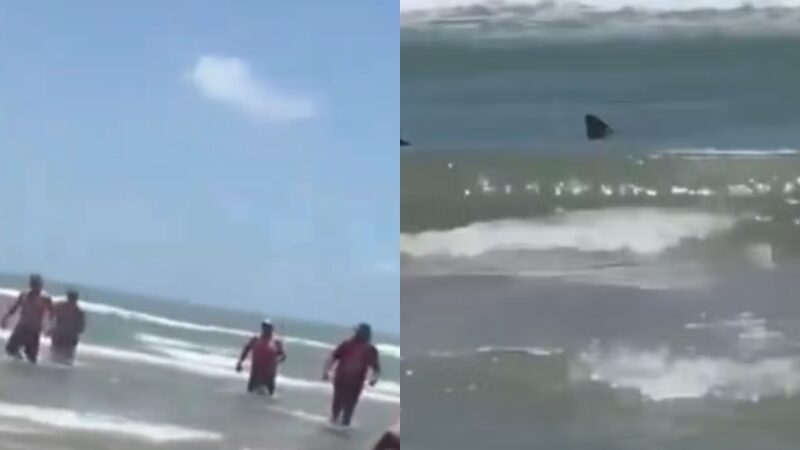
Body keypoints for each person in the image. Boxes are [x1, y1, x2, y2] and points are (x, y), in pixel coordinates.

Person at [323, 323, 381, 427]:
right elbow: (333, 358)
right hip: (346, 381)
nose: (356, 334)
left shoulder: (367, 349)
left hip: (349, 381)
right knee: (343, 407)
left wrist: (374, 379)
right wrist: (326, 371)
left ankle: (336, 427)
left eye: (357, 332)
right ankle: (339, 429)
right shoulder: (351, 345)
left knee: (343, 408)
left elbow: (376, 368)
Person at [1, 274, 53, 363]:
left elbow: (52, 313)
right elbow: (15, 307)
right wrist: (5, 318)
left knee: (31, 356)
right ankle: (19, 363)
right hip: (22, 326)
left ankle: (27, 370)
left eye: (36, 284)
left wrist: (50, 327)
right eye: (32, 283)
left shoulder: (45, 298)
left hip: (34, 329)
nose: (34, 286)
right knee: (10, 349)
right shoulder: (24, 294)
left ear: (40, 285)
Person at [235, 319, 286, 396]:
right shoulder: (256, 339)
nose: (265, 329)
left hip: (269, 374)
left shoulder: (276, 341)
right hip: (256, 373)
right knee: (250, 395)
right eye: (264, 326)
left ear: (272, 328)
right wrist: (240, 362)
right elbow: (246, 349)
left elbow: (283, 355)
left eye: (268, 327)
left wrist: (277, 361)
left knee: (270, 397)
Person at [49, 290, 86, 364]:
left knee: (58, 355)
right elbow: (81, 327)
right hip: (66, 335)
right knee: (66, 357)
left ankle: (56, 369)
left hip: (62, 334)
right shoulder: (78, 311)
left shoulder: (60, 307)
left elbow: (51, 316)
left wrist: (52, 327)